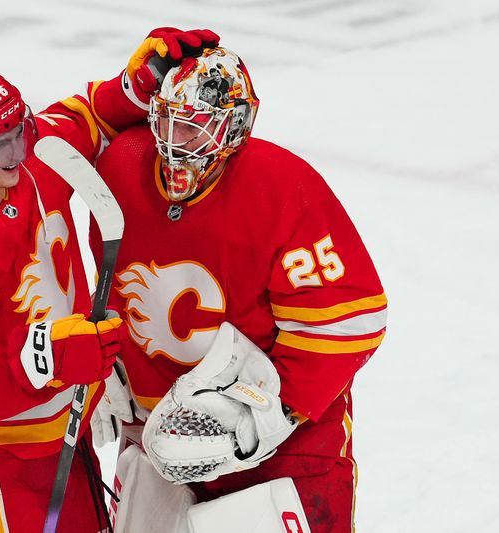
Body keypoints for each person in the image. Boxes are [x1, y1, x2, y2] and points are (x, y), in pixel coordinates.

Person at [0, 28, 220, 533]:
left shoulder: (37, 157)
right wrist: (42, 363)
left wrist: (139, 82)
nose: (20, 151)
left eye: (21, 131)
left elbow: (92, 115)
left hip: (65, 431)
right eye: (0, 144)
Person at [89, 46, 387, 532]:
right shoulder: (120, 165)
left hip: (279, 448)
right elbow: (102, 274)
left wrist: (265, 415)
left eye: (193, 127)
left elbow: (347, 318)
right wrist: (106, 360)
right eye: (166, 121)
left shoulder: (283, 188)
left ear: (233, 128)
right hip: (155, 433)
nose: (172, 141)